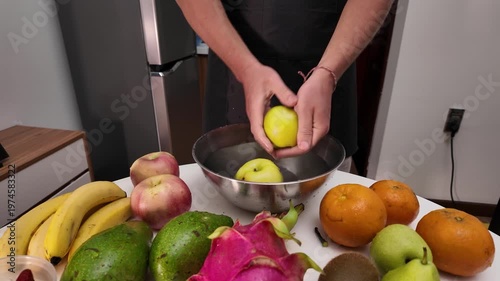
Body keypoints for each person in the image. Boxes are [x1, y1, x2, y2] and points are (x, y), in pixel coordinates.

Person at [176, 0, 395, 172]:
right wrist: (246, 69)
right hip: (234, 72)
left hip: (330, 66)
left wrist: (329, 74)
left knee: (327, 213)